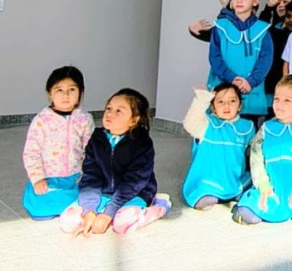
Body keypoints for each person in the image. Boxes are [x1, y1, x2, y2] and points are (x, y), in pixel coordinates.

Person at [59, 89, 171, 235]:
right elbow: (91, 176)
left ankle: (159, 206)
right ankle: (104, 211)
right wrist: (89, 210)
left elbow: (134, 182)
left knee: (122, 224)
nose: (110, 114)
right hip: (104, 194)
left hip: (133, 194)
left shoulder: (142, 143)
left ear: (134, 120)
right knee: (68, 222)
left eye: (119, 111)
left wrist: (108, 214)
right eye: (109, 108)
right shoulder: (97, 139)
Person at [232, 75, 292, 225]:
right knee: (247, 215)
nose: (279, 104)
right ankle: (251, 206)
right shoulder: (266, 128)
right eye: (276, 99)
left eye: (287, 100)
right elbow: (256, 158)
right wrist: (263, 184)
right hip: (270, 186)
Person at [22, 66, 94, 220]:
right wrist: (38, 178)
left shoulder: (85, 119)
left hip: (76, 177)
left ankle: (72, 203)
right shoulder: (42, 120)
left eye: (72, 89)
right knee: (39, 210)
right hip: (50, 178)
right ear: (50, 93)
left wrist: (89, 173)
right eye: (59, 90)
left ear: (80, 92)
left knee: (88, 199)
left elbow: (90, 149)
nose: (66, 95)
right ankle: (62, 203)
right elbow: (31, 152)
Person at [207, 0, 273, 121]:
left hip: (250, 88)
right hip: (224, 86)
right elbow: (215, 57)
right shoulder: (220, 27)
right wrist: (231, 78)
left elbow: (265, 60)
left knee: (248, 132)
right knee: (220, 128)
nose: (239, 1)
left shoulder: (263, 30)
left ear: (255, 1)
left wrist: (251, 81)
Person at [181, 83, 254, 210]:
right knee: (204, 197)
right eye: (220, 102)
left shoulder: (247, 127)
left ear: (240, 105)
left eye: (232, 101)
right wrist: (202, 99)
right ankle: (210, 195)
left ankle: (234, 192)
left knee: (249, 182)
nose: (226, 105)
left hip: (234, 178)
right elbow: (189, 124)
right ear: (213, 107)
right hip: (208, 181)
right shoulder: (206, 124)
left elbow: (254, 152)